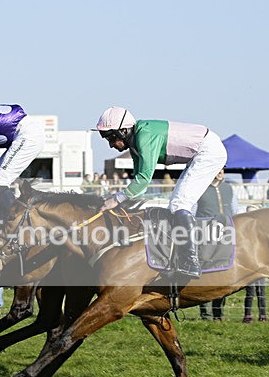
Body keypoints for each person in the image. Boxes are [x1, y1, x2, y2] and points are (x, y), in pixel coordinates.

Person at [94, 107, 228, 278]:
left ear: (124, 130)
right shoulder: (135, 143)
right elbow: (138, 181)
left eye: (112, 138)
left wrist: (115, 199)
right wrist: (122, 199)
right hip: (201, 151)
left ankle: (191, 262)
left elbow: (143, 181)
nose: (111, 145)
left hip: (208, 152)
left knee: (179, 204)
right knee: (176, 205)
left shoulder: (144, 136)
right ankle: (182, 256)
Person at [196, 169, 238, 320]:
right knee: (205, 272)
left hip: (224, 234)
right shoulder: (200, 188)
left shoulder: (229, 188)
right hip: (205, 233)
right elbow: (193, 212)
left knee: (222, 271)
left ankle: (218, 313)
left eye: (223, 169)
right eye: (218, 169)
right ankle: (205, 314)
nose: (221, 172)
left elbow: (235, 211)